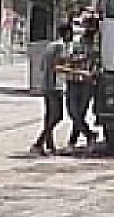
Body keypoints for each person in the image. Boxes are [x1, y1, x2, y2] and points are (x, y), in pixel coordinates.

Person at [32, 25, 68, 155]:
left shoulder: (49, 46)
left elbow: (42, 66)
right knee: (58, 116)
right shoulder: (60, 47)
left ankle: (50, 145)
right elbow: (58, 66)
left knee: (49, 117)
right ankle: (39, 142)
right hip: (55, 85)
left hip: (46, 84)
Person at [63, 19, 98, 150]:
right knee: (73, 112)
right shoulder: (76, 41)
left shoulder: (99, 43)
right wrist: (80, 59)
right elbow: (67, 57)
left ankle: (72, 142)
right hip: (73, 80)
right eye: (88, 26)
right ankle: (89, 135)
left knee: (80, 113)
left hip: (87, 83)